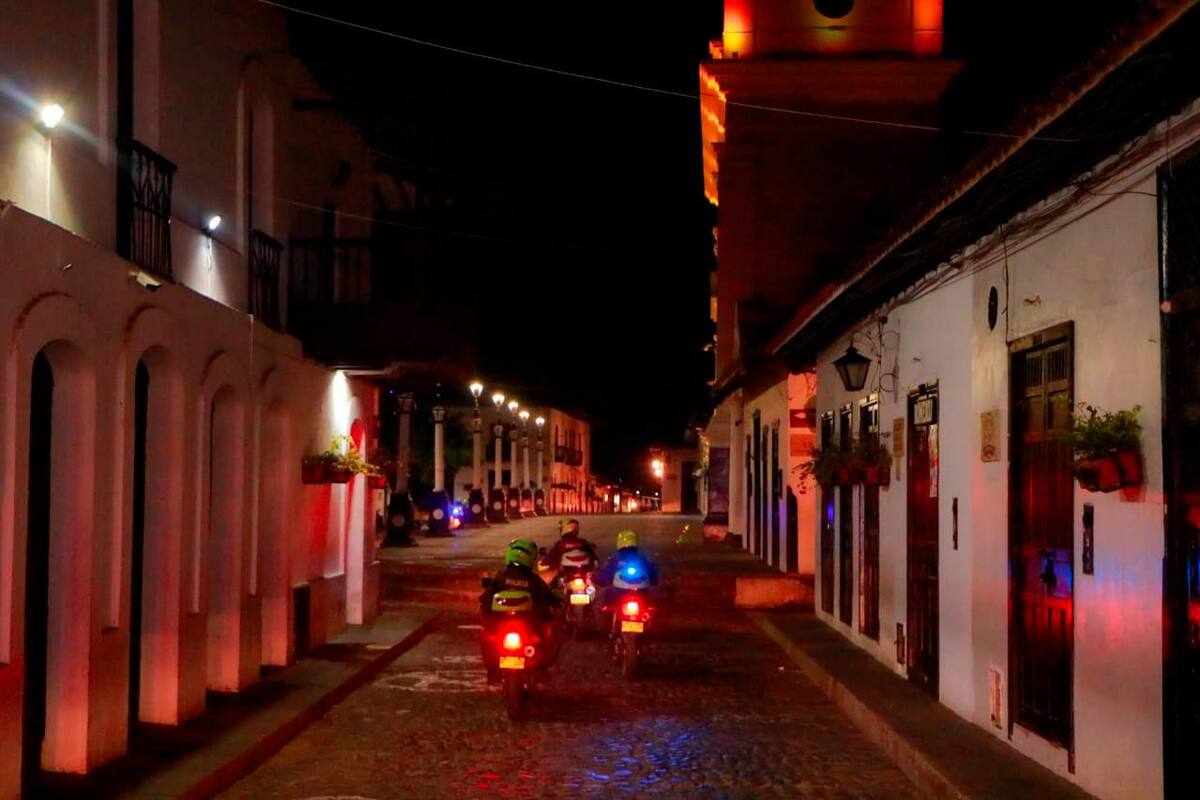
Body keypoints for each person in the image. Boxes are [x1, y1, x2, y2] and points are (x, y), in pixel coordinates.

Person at [479, 538, 562, 682]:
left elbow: (485, 599)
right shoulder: (533, 580)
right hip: (527, 627)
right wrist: (557, 603)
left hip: (504, 626)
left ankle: (493, 669)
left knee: (487, 637)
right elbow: (548, 597)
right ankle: (540, 669)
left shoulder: (502, 577)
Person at [595, 529, 658, 612]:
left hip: (619, 594)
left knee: (607, 607)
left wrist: (597, 579)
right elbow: (653, 576)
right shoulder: (643, 560)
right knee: (650, 607)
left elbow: (604, 576)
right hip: (640, 594)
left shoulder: (615, 561)